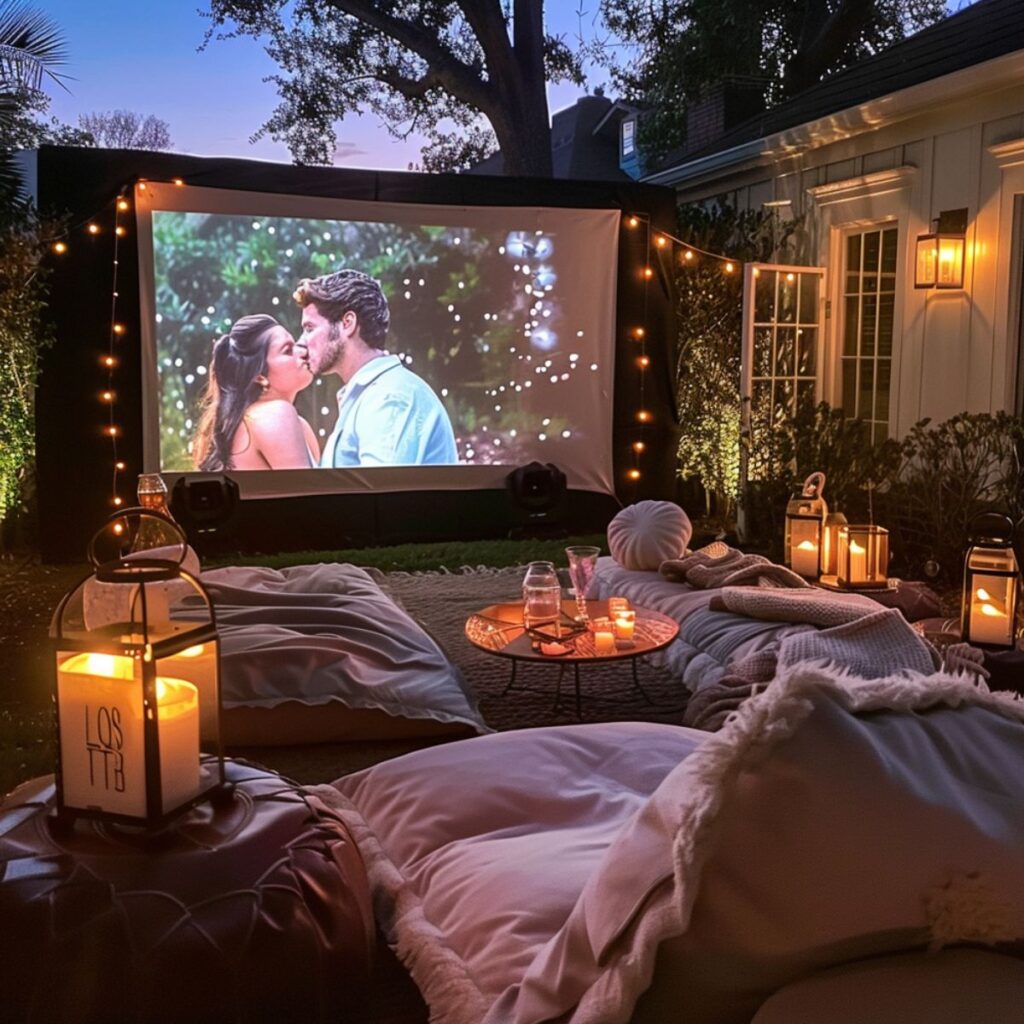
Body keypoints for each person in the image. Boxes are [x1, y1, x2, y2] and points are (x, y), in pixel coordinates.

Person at [293, 269, 458, 467]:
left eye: (310, 328)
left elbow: (382, 495)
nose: (301, 342)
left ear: (347, 323)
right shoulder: (375, 394)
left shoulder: (388, 397)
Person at [192, 313, 319, 471]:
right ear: (259, 377)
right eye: (287, 350)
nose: (302, 352)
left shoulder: (295, 423)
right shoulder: (276, 413)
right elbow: (309, 491)